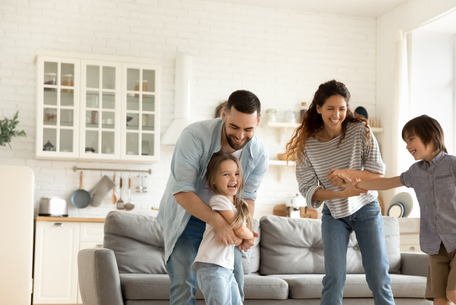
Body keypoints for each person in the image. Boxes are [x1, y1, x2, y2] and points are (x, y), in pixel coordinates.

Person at [347, 114, 456, 305]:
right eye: (405, 141)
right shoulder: (415, 172)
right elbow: (387, 182)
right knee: (439, 301)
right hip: (436, 246)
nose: (407, 145)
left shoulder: (455, 164)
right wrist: (358, 185)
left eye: (411, 139)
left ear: (430, 135)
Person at [285, 80, 395, 305]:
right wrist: (343, 193)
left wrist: (346, 173)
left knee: (378, 276)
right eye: (330, 108)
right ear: (318, 108)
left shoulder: (360, 131)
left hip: (367, 209)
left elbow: (377, 175)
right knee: (334, 279)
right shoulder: (308, 145)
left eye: (342, 109)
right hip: (334, 215)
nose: (337, 114)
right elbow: (308, 190)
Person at [157, 90, 269, 305]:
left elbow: (248, 198)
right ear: (224, 116)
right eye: (234, 127)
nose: (240, 136)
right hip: (187, 217)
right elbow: (182, 191)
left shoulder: (260, 154)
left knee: (234, 282)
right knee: (183, 283)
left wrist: (243, 229)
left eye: (248, 129)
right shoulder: (194, 136)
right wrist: (218, 222)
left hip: (229, 219)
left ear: (258, 121)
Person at [193, 152, 254, 305]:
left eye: (237, 174)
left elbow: (240, 233)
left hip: (226, 267)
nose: (233, 179)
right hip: (211, 265)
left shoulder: (241, 205)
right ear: (213, 180)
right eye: (226, 174)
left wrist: (245, 236)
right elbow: (240, 230)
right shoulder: (218, 200)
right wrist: (249, 236)